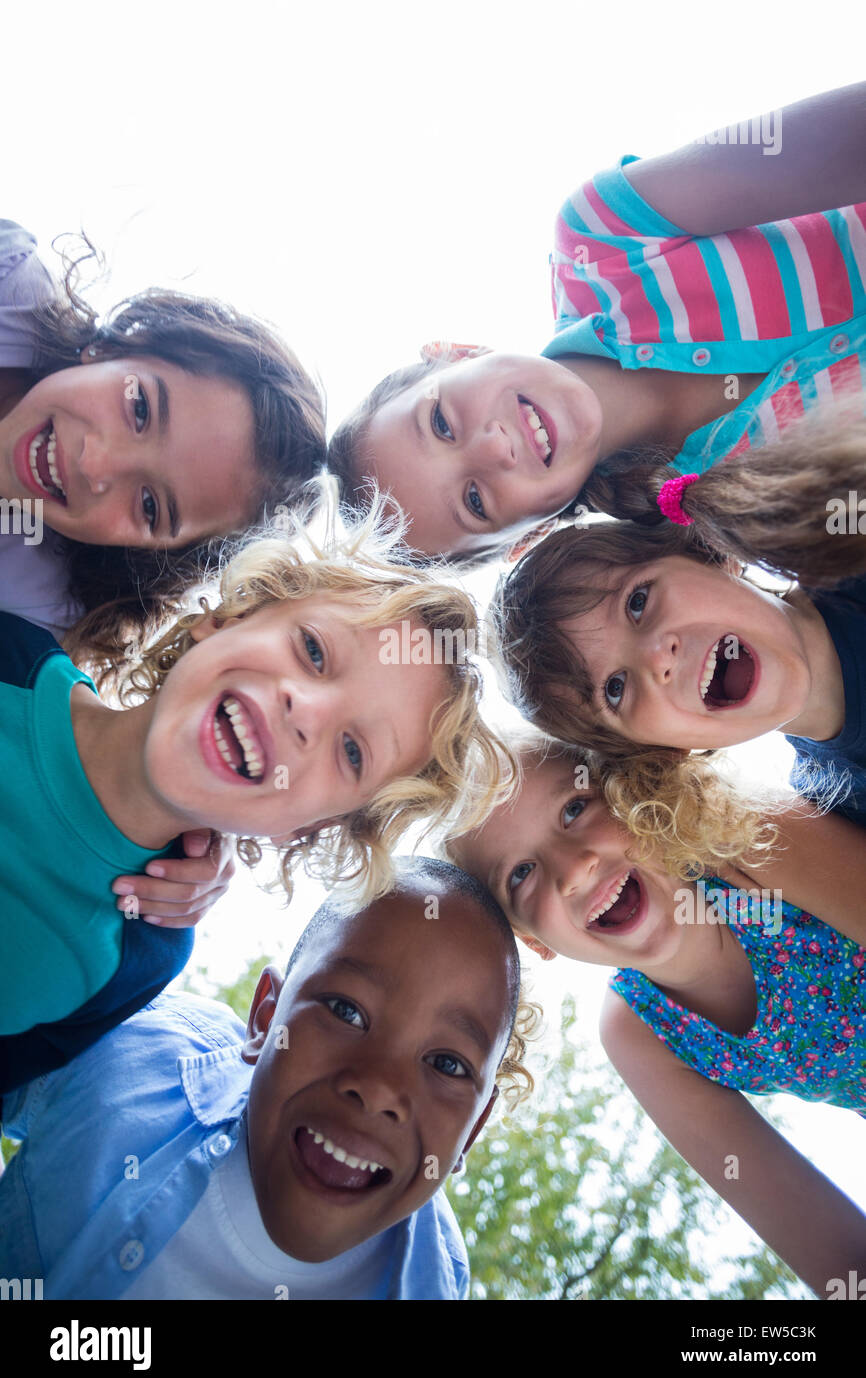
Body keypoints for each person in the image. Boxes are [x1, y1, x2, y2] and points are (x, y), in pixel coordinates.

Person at [0, 480, 510, 1081]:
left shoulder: (144, 952)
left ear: (307, 828)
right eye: (314, 652)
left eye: (351, 750)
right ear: (226, 619)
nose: (306, 711)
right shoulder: (11, 654)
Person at [327, 82, 866, 560]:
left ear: (459, 353)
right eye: (474, 500)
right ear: (525, 539)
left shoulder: (602, 243)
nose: (494, 448)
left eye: (441, 422)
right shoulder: (719, 515)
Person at [447, 735, 866, 1299]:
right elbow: (831, 1252)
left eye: (574, 808)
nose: (573, 869)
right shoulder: (640, 1031)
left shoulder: (742, 839)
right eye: (520, 873)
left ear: (630, 790)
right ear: (531, 939)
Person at [0, 860, 534, 1300]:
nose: (377, 1088)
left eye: (447, 1065)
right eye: (346, 1011)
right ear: (264, 1019)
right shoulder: (129, 1046)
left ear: (474, 1128)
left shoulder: (435, 1284)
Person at [490, 406, 866, 825]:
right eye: (614, 689)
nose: (657, 659)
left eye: (637, 602)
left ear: (707, 552)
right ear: (665, 750)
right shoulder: (839, 818)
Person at [0, 218, 326, 658]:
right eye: (140, 409)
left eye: (150, 507)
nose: (93, 465)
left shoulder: (40, 620)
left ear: (143, 554)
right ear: (115, 349)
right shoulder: (11, 284)